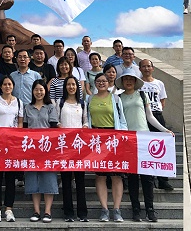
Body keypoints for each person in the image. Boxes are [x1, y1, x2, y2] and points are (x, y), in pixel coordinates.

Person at [118, 67, 172, 222]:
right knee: (133, 177)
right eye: (126, 79)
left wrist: (164, 130)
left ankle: (150, 209)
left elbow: (150, 117)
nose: (128, 82)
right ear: (122, 82)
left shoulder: (142, 95)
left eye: (131, 79)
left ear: (135, 81)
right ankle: (136, 209)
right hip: (129, 139)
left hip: (144, 138)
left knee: (147, 177)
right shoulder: (119, 98)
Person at [86, 73, 127, 222]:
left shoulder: (115, 98)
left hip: (114, 138)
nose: (101, 83)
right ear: (94, 83)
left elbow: (122, 119)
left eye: (104, 81)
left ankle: (116, 209)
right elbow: (87, 118)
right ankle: (104, 209)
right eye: (98, 81)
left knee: (116, 175)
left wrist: (122, 138)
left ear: (109, 82)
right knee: (100, 175)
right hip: (96, 139)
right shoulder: (89, 99)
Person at [0, 76, 24, 222]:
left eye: (9, 84)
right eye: (5, 84)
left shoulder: (19, 103)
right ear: (0, 87)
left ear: (13, 86)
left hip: (12, 144)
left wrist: (14, 134)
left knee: (10, 178)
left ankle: (9, 209)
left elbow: (20, 122)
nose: (7, 86)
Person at [24, 80, 60, 223]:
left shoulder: (50, 107)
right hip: (31, 148)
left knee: (49, 178)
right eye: (36, 90)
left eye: (41, 90)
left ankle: (47, 211)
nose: (39, 92)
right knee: (33, 178)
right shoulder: (27, 107)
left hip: (47, 148)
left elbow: (53, 126)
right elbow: (25, 128)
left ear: (45, 91)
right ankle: (36, 210)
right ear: (32, 92)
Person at [139, 59, 174, 191]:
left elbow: (162, 101)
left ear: (153, 68)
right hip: (143, 117)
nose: (147, 69)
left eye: (149, 66)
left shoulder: (159, 83)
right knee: (145, 148)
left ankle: (163, 180)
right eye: (144, 66)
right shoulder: (138, 84)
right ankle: (148, 178)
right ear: (140, 69)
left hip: (157, 115)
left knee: (161, 149)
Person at [58, 75, 88, 222]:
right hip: (64, 147)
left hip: (78, 147)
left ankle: (83, 213)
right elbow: (56, 121)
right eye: (68, 84)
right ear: (65, 87)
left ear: (77, 87)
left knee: (80, 180)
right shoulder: (60, 102)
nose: (71, 87)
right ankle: (68, 213)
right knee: (66, 180)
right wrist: (59, 127)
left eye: (73, 84)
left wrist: (84, 127)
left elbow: (86, 121)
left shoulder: (81, 103)